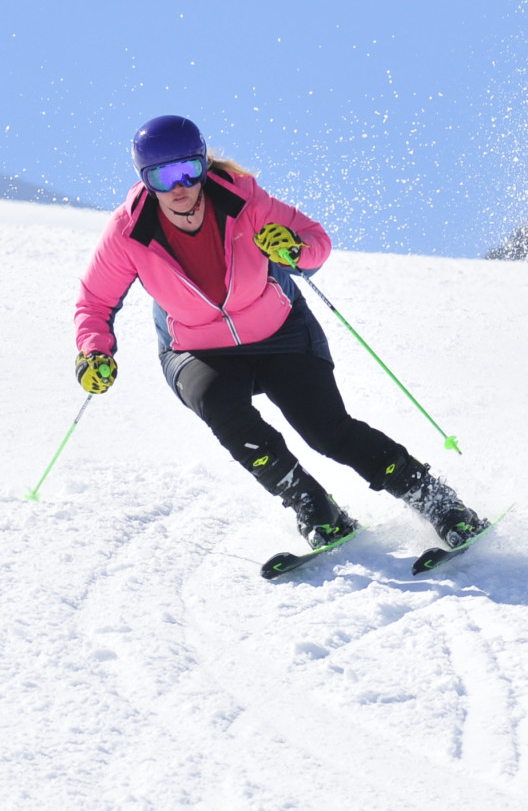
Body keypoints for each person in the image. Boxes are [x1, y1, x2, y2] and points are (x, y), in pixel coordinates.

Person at [72, 114, 489, 551]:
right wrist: (93, 351)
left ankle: (441, 504)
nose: (179, 187)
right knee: (226, 414)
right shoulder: (128, 231)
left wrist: (294, 249)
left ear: (203, 164)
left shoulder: (242, 199)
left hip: (279, 331)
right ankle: (315, 508)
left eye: (188, 171)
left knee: (326, 430)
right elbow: (94, 302)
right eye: (163, 177)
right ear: (145, 180)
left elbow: (316, 241)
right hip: (197, 348)